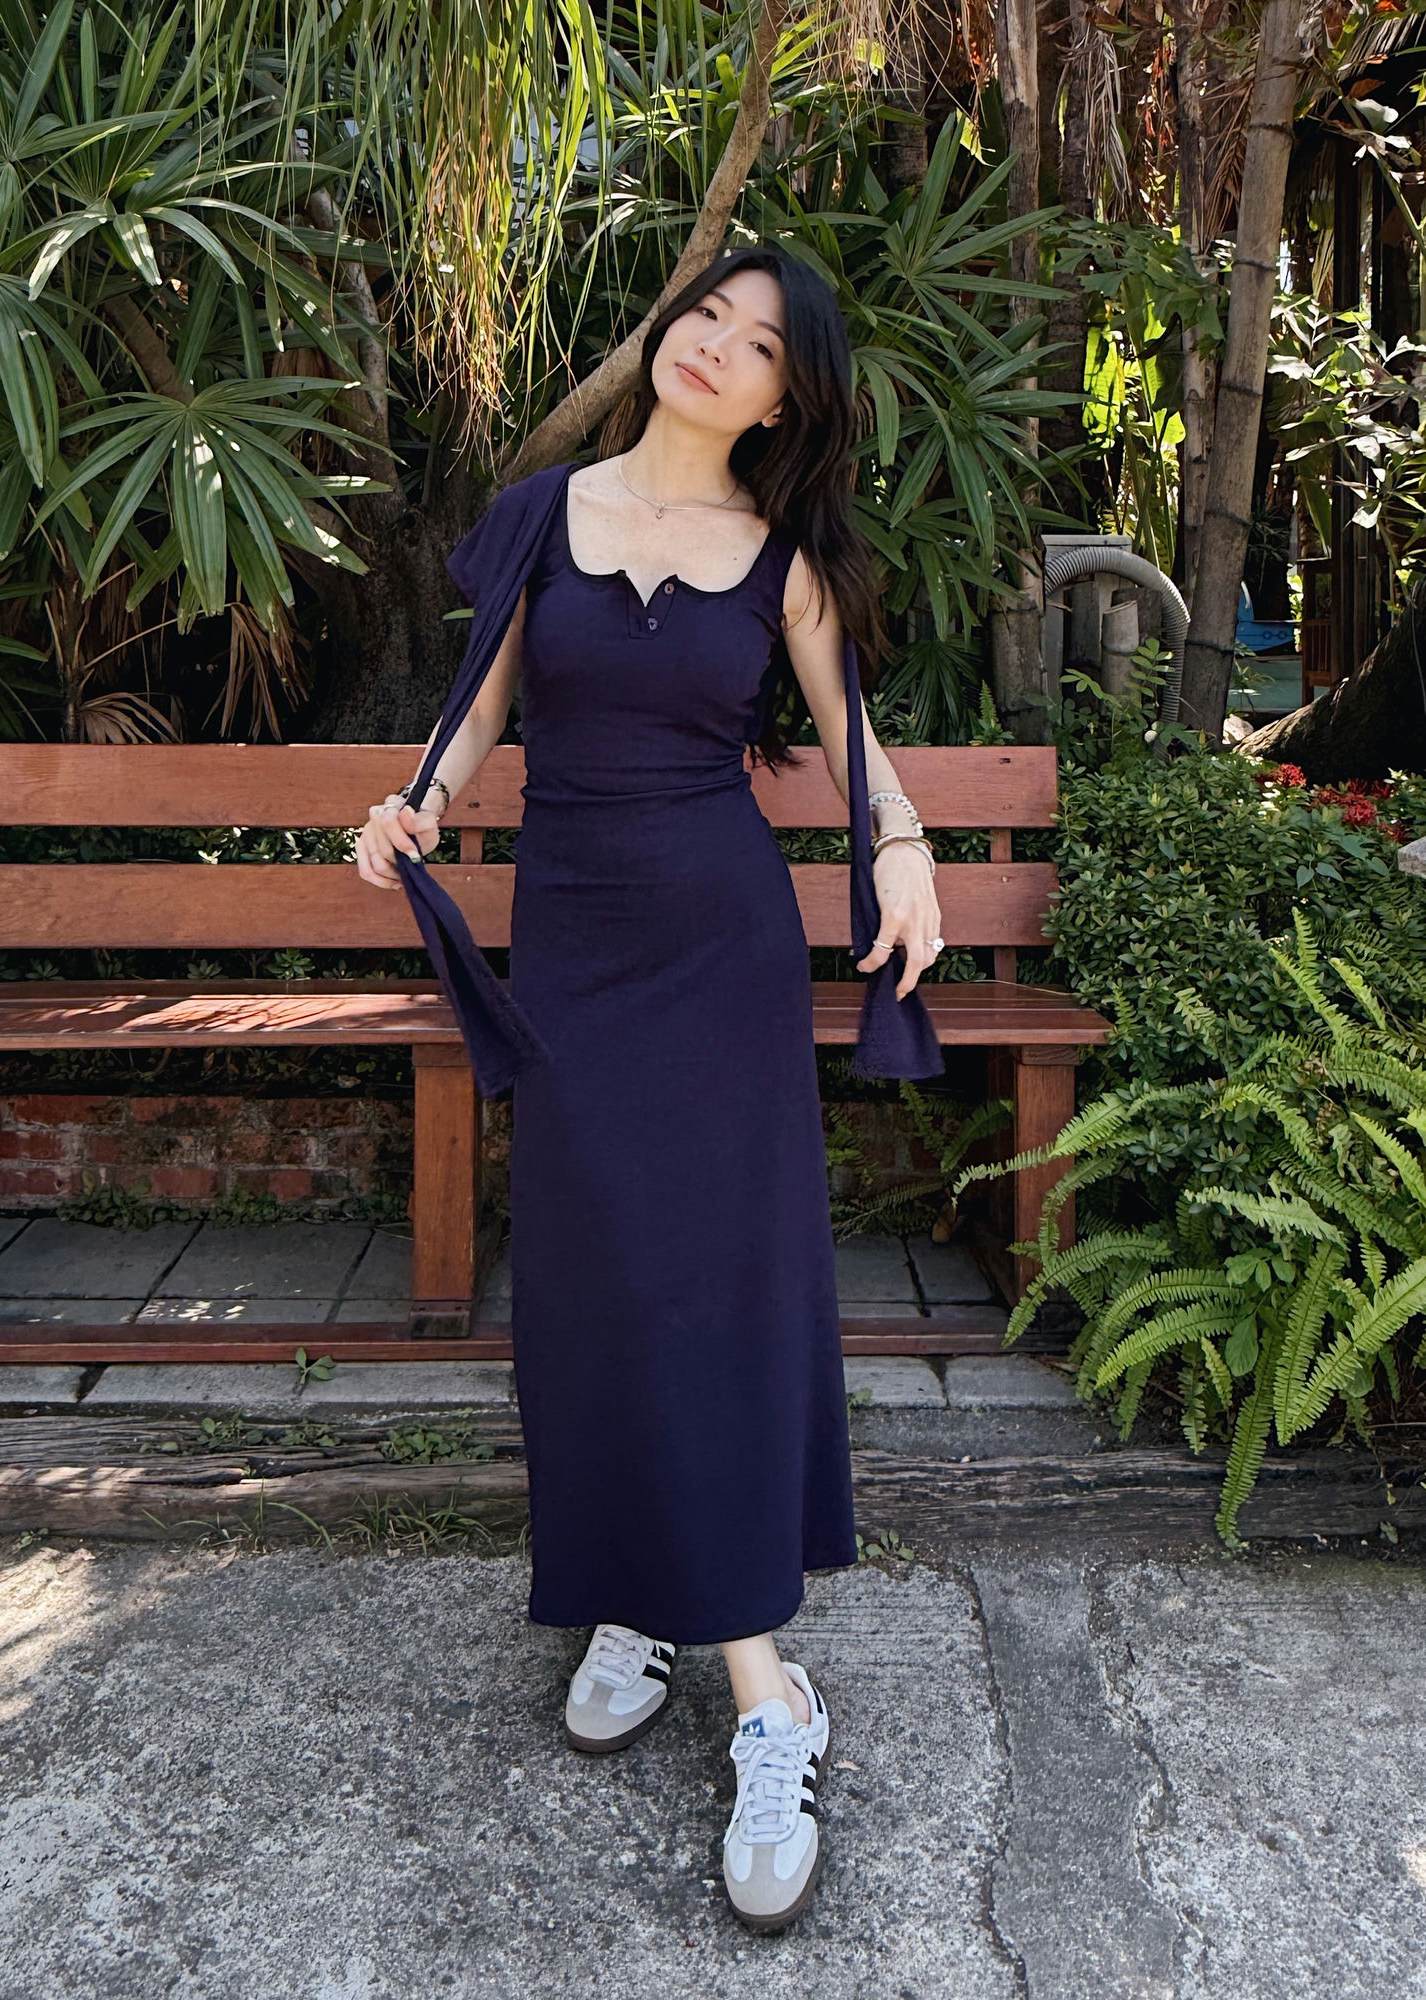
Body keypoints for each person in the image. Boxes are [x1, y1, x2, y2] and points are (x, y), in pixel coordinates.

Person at [353, 245, 944, 1933]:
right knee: (600, 1281)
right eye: (708, 317)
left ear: (782, 400)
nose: (716, 348)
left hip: (722, 958)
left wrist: (904, 846)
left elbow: (853, 745)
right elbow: (480, 710)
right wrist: (419, 804)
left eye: (759, 346)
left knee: (717, 1289)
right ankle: (639, 1586)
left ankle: (768, 1695)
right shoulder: (546, 513)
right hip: (579, 950)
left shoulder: (785, 559)